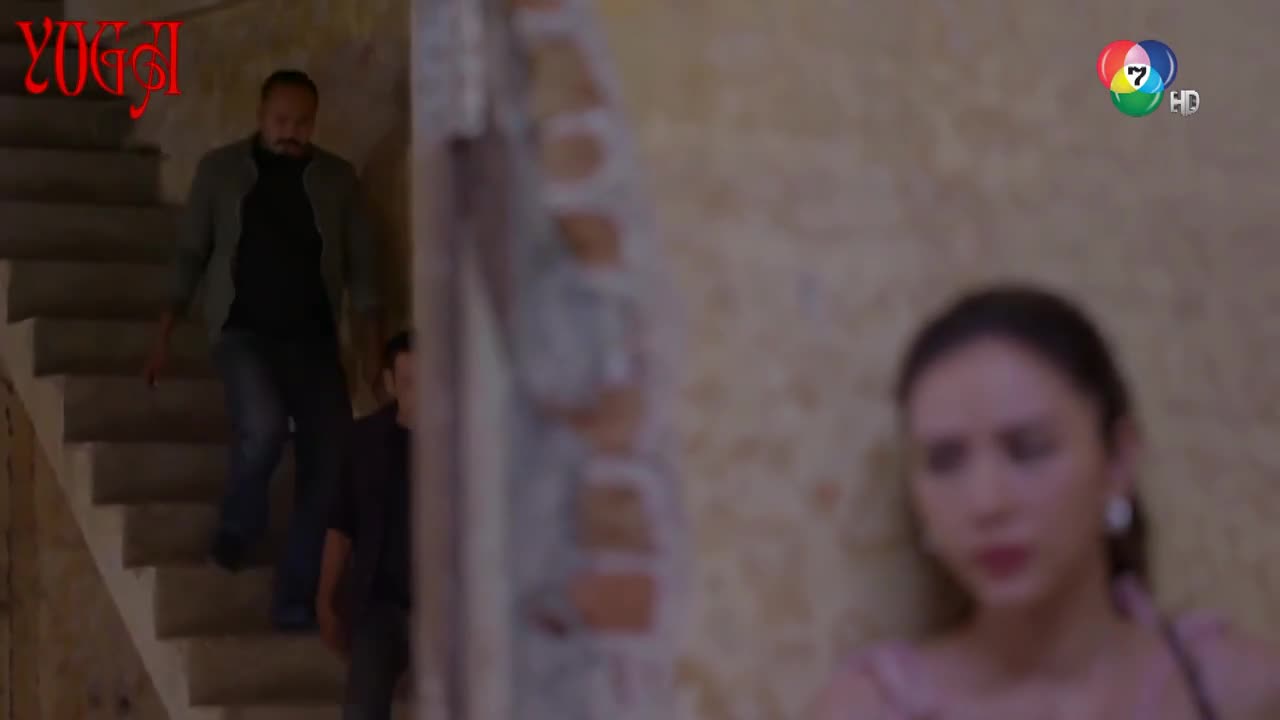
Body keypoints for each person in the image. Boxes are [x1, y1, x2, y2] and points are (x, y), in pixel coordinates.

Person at [812, 285, 1280, 719]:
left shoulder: (1229, 684)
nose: (987, 503)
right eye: (945, 461)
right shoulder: (870, 707)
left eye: (1029, 450)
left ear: (1117, 460)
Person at [142, 69, 385, 631]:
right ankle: (238, 525)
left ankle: (296, 597)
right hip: (241, 333)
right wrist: (163, 335)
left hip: (314, 342)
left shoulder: (338, 180)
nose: (290, 132)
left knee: (330, 462)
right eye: (281, 120)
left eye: (302, 122)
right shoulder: (220, 171)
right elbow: (190, 253)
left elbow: (365, 277)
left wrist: (373, 356)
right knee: (265, 425)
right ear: (260, 116)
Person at [318, 331, 415, 720]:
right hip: (381, 603)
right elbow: (341, 525)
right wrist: (325, 600)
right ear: (390, 383)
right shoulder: (364, 441)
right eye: (409, 382)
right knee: (361, 707)